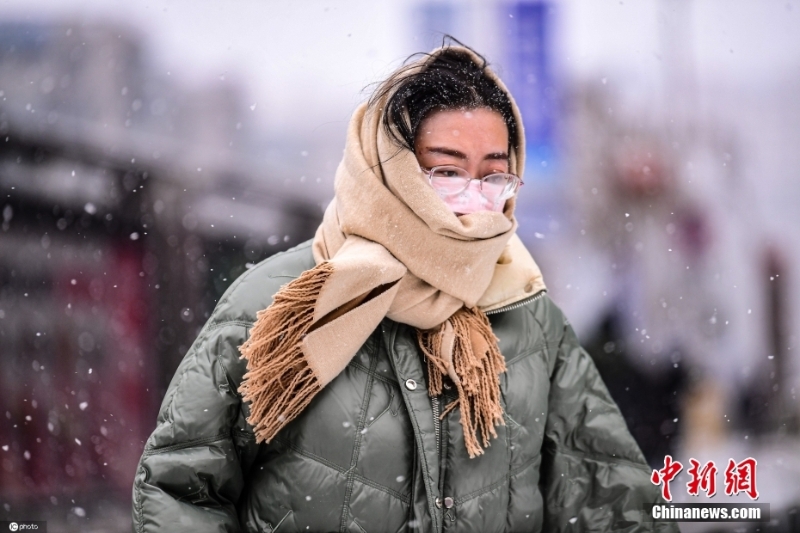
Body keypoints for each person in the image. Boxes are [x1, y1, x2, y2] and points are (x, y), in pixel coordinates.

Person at [131, 43, 677, 533]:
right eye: (447, 172)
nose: (475, 200)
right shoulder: (277, 303)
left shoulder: (526, 312)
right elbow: (181, 488)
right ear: (392, 171)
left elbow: (613, 497)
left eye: (494, 174)